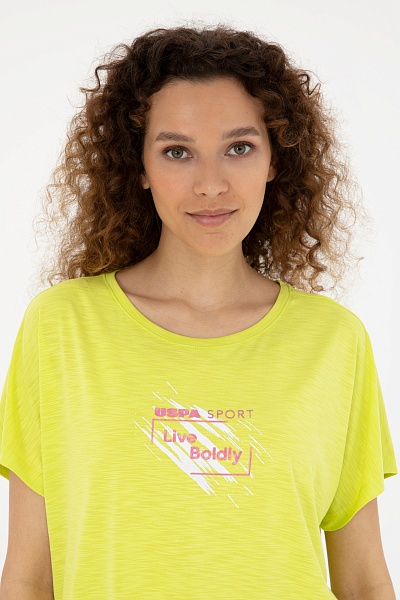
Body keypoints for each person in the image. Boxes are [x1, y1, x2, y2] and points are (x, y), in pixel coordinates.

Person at [0, 23, 398, 600]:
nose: (210, 184)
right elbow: (27, 578)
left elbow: (363, 581)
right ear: (138, 166)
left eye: (239, 148)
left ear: (274, 160)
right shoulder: (61, 329)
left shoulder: (333, 341)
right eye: (177, 152)